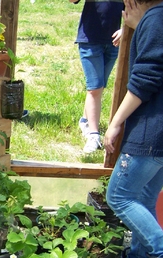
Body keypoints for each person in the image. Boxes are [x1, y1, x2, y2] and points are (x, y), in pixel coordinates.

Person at [104, 0, 163, 258]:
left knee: (119, 196)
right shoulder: (158, 17)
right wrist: (138, 24)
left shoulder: (157, 18)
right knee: (145, 197)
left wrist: (116, 122)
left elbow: (147, 77)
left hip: (151, 131)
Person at [69, 0, 124, 153]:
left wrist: (125, 29)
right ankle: (94, 135)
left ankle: (85, 121)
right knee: (95, 88)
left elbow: (135, 9)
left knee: (99, 86)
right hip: (90, 40)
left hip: (114, 41)